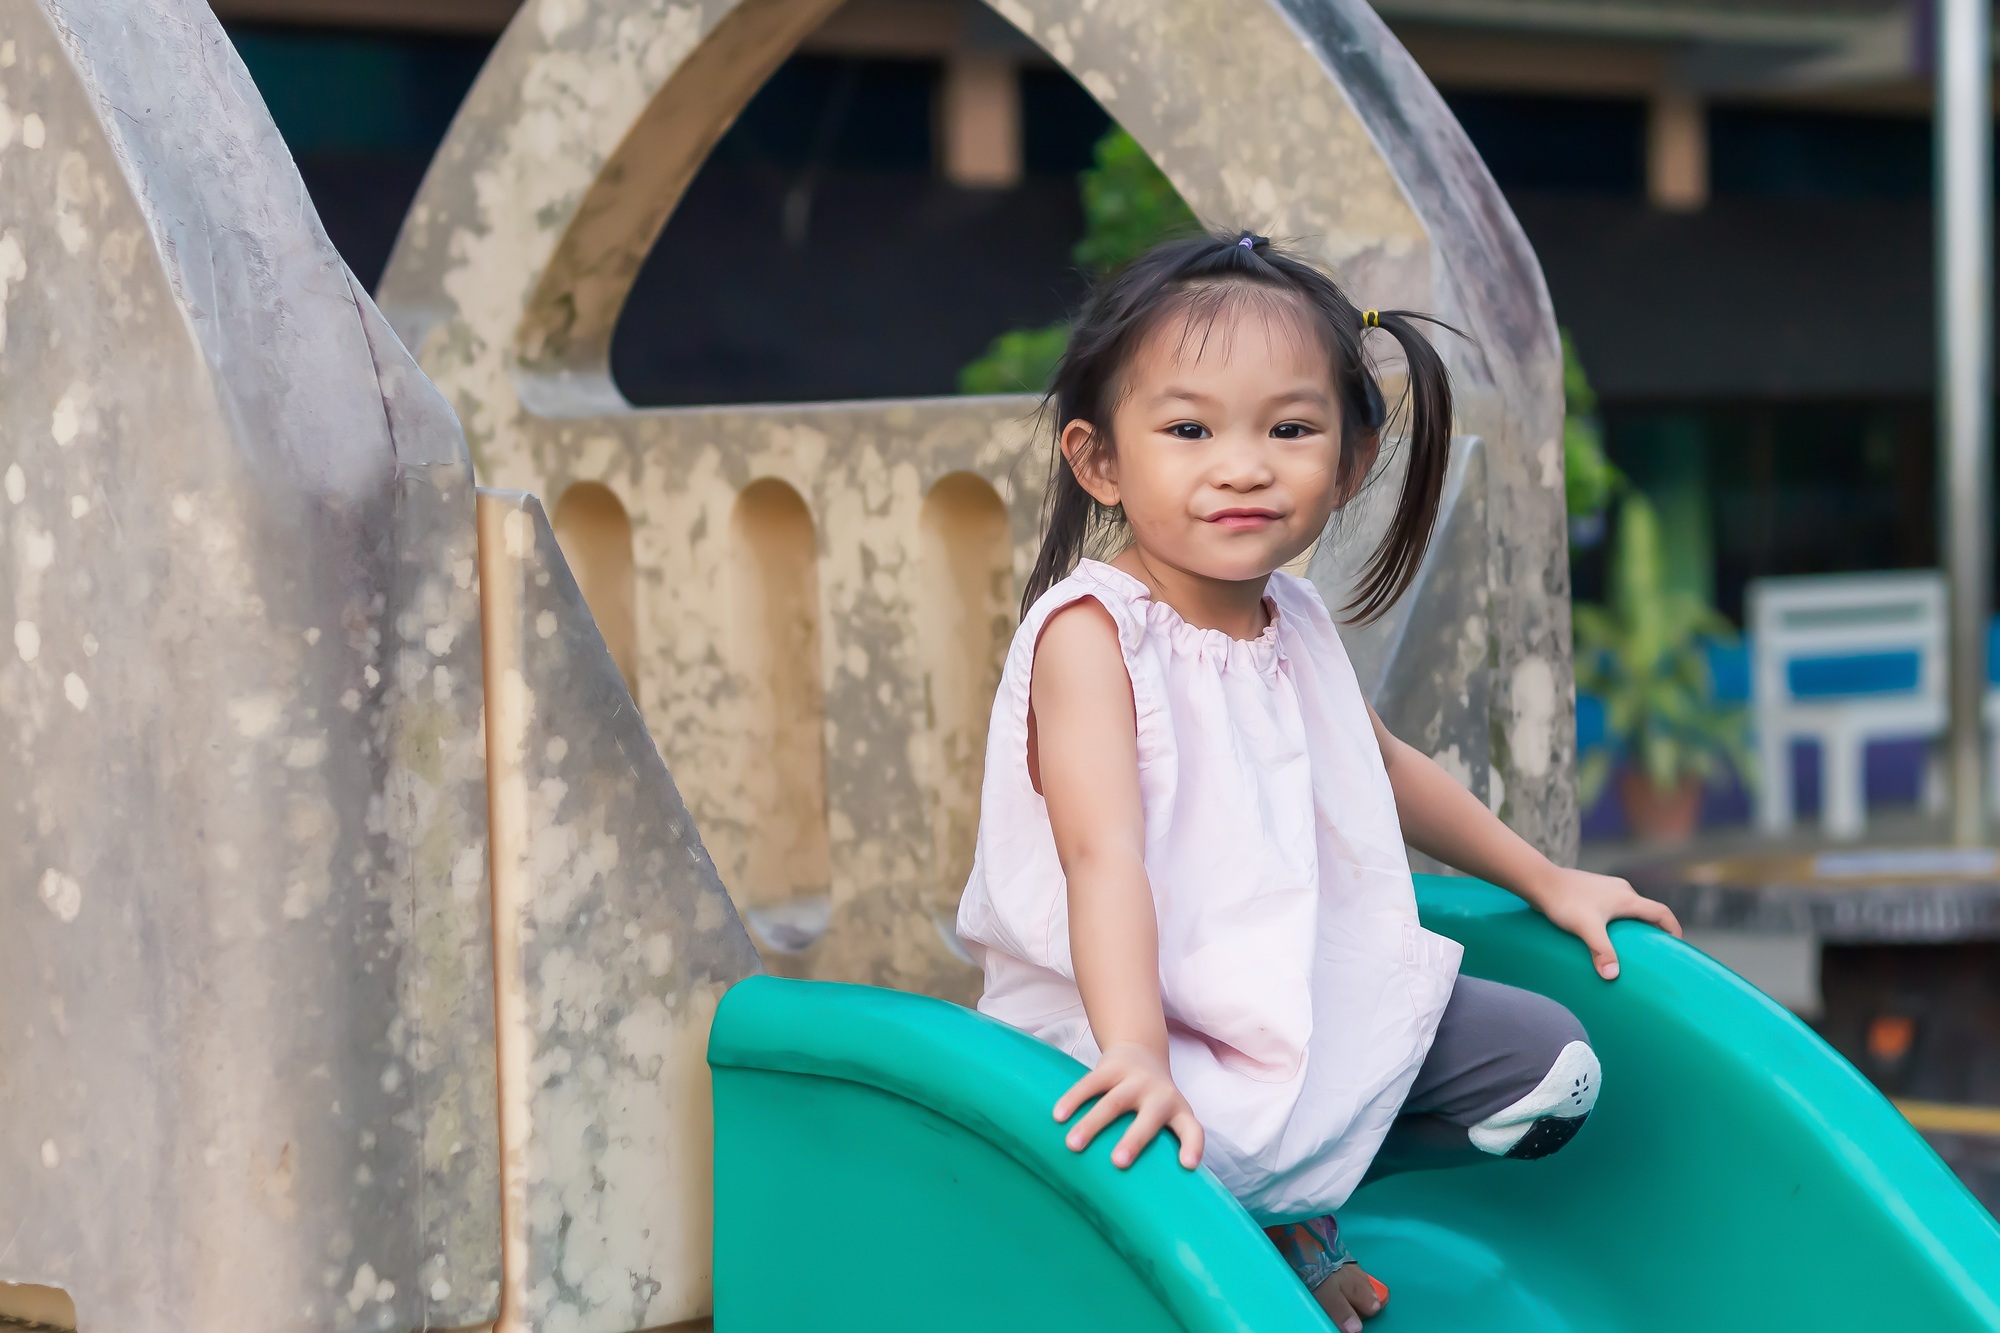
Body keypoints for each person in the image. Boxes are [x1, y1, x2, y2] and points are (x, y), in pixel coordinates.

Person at [955, 231, 1680, 1332]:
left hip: (1290, 989)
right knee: (1165, 1143)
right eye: (1188, 429)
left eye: (1288, 429)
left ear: (1346, 462)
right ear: (1099, 460)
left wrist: (1548, 880)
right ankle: (1270, 1227)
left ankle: (1296, 1210)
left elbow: (1379, 764)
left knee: (1552, 1072)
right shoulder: (1090, 636)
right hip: (1124, 1018)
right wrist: (1136, 1053)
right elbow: (1097, 855)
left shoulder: (1293, 618)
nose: (1241, 465)